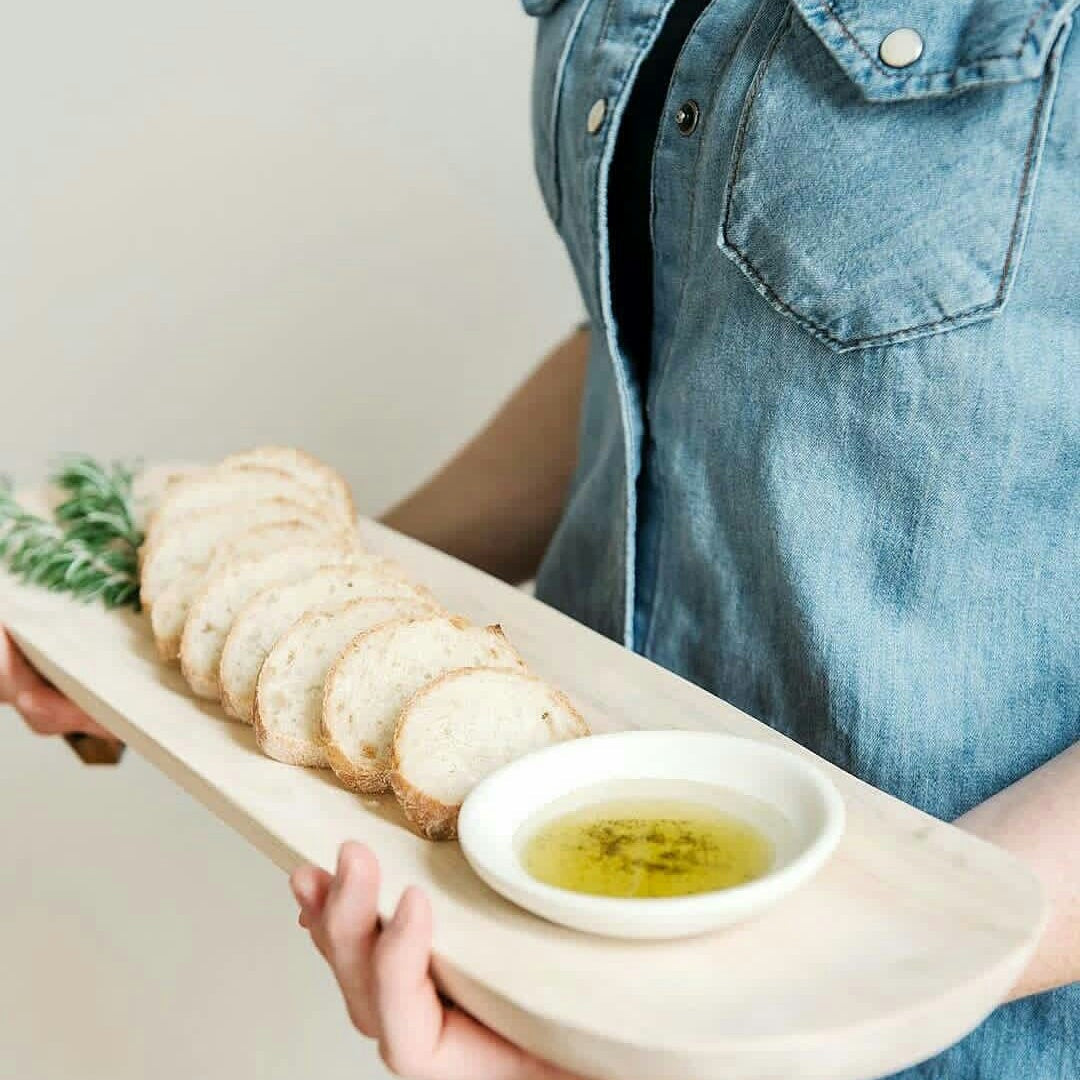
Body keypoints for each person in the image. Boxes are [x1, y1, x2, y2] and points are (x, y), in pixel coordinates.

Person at [4, 1, 1077, 1077]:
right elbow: (678, 352)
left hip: (934, 1031)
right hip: (558, 946)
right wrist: (280, 621)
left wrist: (805, 1007)